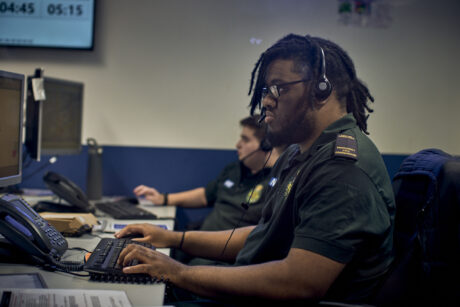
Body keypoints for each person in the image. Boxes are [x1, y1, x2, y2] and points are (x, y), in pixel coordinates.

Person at [115, 34, 395, 305]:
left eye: (278, 88)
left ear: (321, 90)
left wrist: (177, 272)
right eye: (265, 90)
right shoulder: (299, 154)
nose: (266, 101)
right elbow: (263, 234)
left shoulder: (342, 170)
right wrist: (172, 238)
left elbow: (298, 282)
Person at [134, 115, 285, 232]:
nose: (237, 145)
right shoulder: (234, 170)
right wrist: (163, 198)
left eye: (245, 140)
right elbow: (205, 196)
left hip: (223, 260)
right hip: (197, 247)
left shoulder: (277, 182)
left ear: (267, 145)